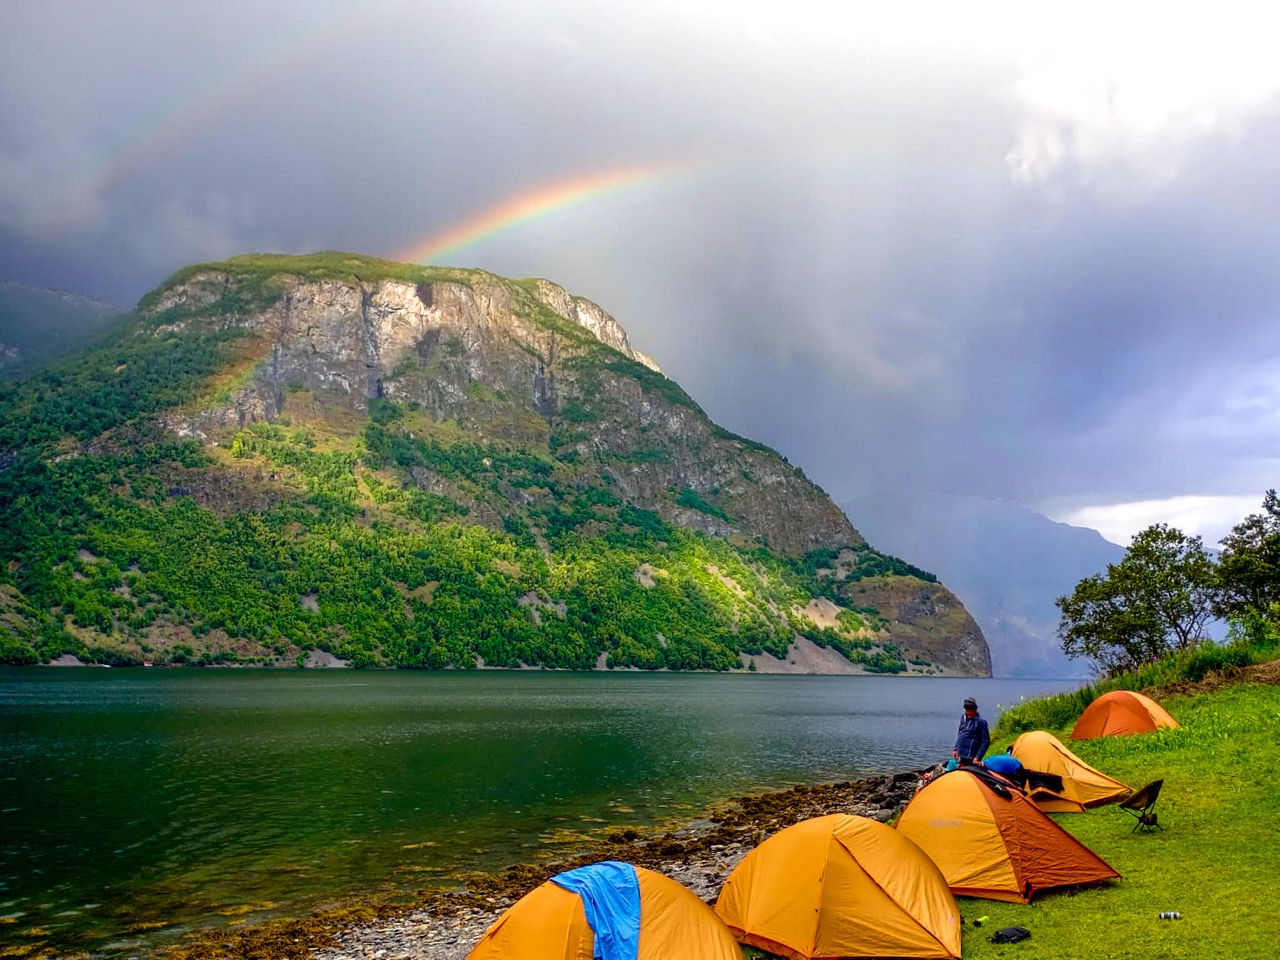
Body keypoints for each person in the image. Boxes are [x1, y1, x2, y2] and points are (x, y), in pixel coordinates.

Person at [952, 697, 990, 766]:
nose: (969, 713)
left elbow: (986, 741)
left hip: (971, 757)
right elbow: (960, 733)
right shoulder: (963, 718)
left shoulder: (980, 722)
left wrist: (978, 757)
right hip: (961, 755)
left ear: (975, 710)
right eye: (967, 711)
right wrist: (955, 749)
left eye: (971, 711)